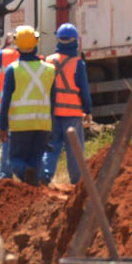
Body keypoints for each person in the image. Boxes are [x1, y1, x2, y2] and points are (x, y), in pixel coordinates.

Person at [0, 25, 56, 185]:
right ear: (36, 43)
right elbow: (53, 100)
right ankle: (33, 188)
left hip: (20, 125)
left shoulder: (13, 70)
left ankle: (25, 173)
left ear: (17, 46)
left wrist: (2, 125)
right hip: (42, 124)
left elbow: (5, 101)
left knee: (15, 160)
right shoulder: (50, 69)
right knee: (36, 159)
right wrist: (53, 126)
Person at [41, 23, 93, 184]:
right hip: (72, 114)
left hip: (53, 113)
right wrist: (88, 110)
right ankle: (76, 182)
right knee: (74, 150)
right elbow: (84, 90)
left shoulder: (48, 61)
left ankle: (44, 176)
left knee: (51, 146)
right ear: (75, 41)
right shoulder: (78, 63)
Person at [0, 32, 20, 179]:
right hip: (25, 109)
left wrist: (5, 45)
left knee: (7, 140)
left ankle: (5, 175)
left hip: (6, 107)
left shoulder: (6, 55)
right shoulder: (37, 60)